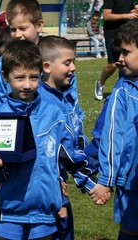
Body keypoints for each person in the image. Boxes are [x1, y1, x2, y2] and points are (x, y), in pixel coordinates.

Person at [0, 39, 110, 240]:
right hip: (11, 210)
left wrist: (91, 184)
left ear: (41, 73)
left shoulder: (54, 114)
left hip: (44, 211)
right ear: (5, 77)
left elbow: (71, 156)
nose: (27, 84)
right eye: (19, 77)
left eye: (33, 77)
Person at [37, 35, 90, 240]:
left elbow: (73, 135)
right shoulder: (43, 101)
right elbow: (51, 149)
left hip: (61, 178)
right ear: (47, 66)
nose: (74, 67)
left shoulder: (64, 93)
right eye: (67, 62)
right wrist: (89, 182)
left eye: (74, 61)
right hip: (48, 184)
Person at [90, 19, 138, 239]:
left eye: (126, 52)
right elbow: (112, 138)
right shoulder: (122, 92)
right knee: (130, 229)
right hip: (132, 181)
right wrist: (106, 180)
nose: (119, 59)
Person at [0, 0, 44, 112]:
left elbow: (68, 98)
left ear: (39, 25)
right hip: (12, 124)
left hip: (48, 125)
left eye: (23, 29)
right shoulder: (5, 61)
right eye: (13, 29)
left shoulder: (53, 54)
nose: (17, 35)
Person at [95, 0, 138, 100]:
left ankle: (125, 90)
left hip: (128, 33)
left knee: (127, 63)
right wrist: (127, 16)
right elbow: (106, 16)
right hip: (113, 34)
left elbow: (132, 10)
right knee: (113, 64)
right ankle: (100, 83)